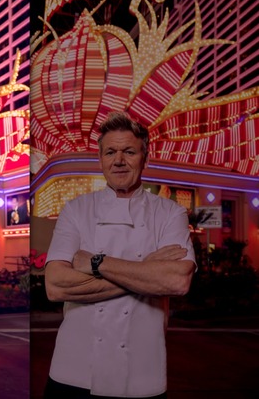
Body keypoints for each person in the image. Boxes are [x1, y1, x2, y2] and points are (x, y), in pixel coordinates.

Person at [43, 111, 195, 398]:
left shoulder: (170, 213)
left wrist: (96, 263)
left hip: (142, 372)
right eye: (110, 152)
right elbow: (55, 285)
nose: (119, 160)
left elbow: (176, 282)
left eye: (129, 151)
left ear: (145, 158)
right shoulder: (76, 210)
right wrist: (146, 269)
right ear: (101, 160)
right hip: (72, 369)